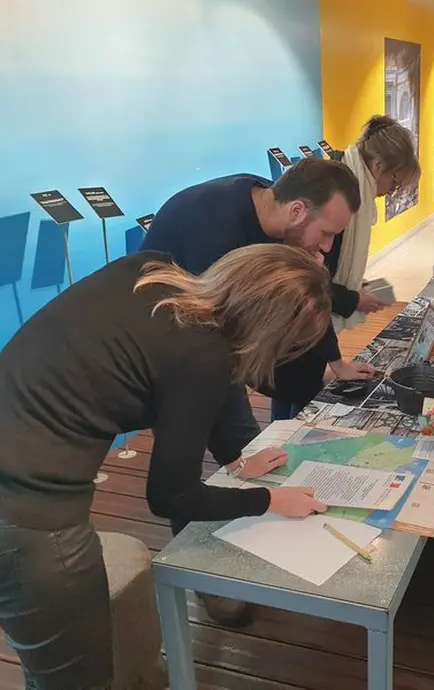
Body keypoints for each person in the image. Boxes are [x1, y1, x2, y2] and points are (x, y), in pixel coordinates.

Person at [0, 244, 332, 690]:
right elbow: (171, 498)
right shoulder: (204, 356)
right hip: (20, 521)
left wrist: (235, 461)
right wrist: (270, 499)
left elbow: (185, 382)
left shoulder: (147, 272)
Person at [140, 157, 372, 624]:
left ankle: (253, 541)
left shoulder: (274, 210)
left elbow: (302, 303)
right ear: (299, 211)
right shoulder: (215, 231)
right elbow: (236, 354)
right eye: (326, 234)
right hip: (166, 352)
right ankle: (202, 573)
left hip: (203, 348)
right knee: (190, 460)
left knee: (248, 448)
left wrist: (332, 362)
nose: (327, 247)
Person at [270, 115, 420, 420]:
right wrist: (352, 298)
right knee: (295, 393)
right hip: (297, 324)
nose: (391, 192)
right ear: (378, 165)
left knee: (291, 392)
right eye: (394, 182)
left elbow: (325, 272)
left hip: (305, 324)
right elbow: (310, 282)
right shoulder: (342, 200)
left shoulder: (344, 186)